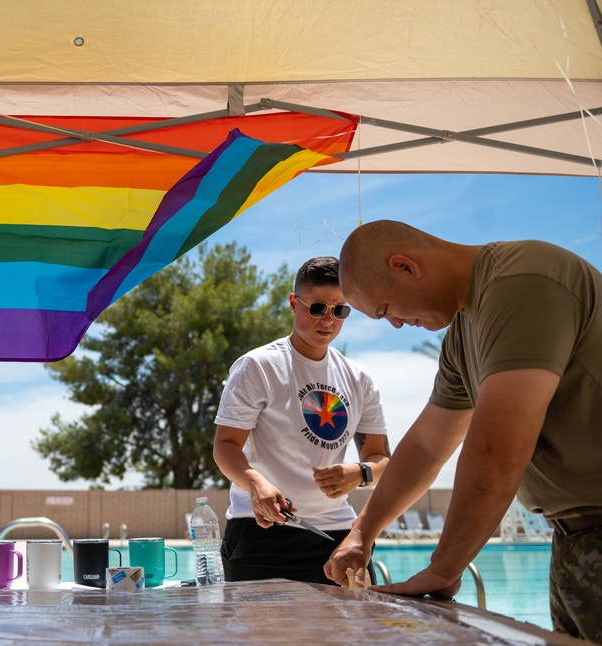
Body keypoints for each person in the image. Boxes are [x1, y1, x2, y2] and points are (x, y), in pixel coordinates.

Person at [326, 220, 602, 643]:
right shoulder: (465, 332)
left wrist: (444, 568)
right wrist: (363, 531)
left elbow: (497, 451)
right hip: (572, 539)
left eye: (384, 310)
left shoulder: (522, 282)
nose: (395, 325)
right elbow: (426, 444)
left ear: (405, 267)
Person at [213, 256, 391, 585]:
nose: (329, 320)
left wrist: (359, 473)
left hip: (338, 538)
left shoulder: (359, 378)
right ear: (294, 303)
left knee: (343, 638)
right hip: (260, 536)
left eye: (340, 310)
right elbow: (225, 446)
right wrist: (256, 484)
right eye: (318, 308)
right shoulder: (257, 366)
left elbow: (381, 460)